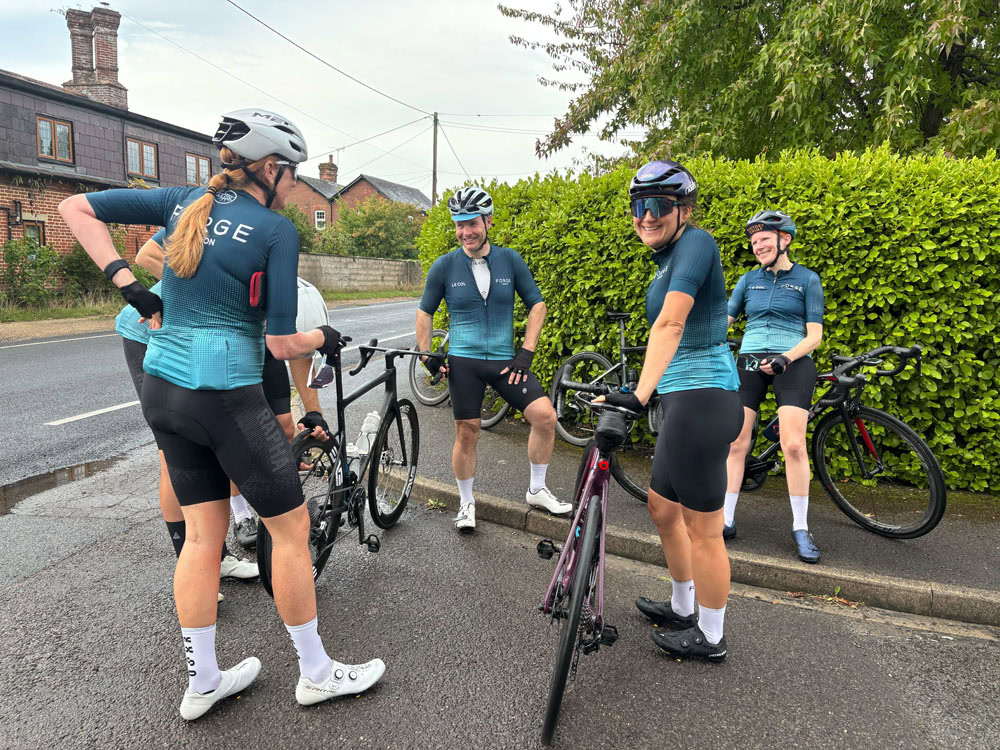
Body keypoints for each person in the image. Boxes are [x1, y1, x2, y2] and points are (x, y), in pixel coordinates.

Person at [60, 109, 384, 720]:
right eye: (292, 174)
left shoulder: (183, 200)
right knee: (290, 530)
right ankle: (316, 673)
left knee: (203, 536)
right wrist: (325, 337)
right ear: (270, 168)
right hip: (224, 395)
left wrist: (128, 283)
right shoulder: (275, 231)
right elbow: (282, 344)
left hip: (163, 391)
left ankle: (204, 681)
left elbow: (74, 207)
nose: (294, 185)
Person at [598, 160, 742, 663]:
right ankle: (682, 607)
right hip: (681, 398)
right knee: (662, 508)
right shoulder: (667, 258)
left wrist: (639, 396)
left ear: (684, 209)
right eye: (638, 206)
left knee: (704, 528)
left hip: (704, 398)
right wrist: (643, 388)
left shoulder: (697, 244)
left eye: (657, 205)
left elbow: (671, 325)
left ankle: (712, 635)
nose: (645, 216)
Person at [125, 237, 332, 551]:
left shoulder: (286, 292)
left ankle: (280, 512)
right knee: (192, 447)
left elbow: (298, 356)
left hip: (240, 326)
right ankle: (229, 529)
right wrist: (200, 290)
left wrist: (314, 414)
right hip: (156, 332)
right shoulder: (212, 238)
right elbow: (147, 254)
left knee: (282, 426)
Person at [416, 185, 570, 532]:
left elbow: (537, 305)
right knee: (467, 432)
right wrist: (427, 355)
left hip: (505, 363)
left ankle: (537, 490)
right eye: (459, 225)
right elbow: (425, 312)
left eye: (472, 223)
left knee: (545, 417)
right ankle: (466, 503)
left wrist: (526, 352)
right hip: (464, 362)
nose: (465, 232)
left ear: (487, 221)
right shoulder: (444, 266)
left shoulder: (509, 260)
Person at [116, 231, 257, 586]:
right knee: (174, 452)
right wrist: (195, 294)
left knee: (208, 443)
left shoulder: (256, 227)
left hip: (194, 336)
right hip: (148, 334)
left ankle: (214, 558)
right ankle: (195, 566)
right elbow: (147, 255)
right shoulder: (197, 210)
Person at [724, 210, 824, 563]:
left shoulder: (807, 279)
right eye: (753, 242)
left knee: (793, 444)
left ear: (785, 240)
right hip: (750, 360)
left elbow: (815, 336)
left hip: (792, 362)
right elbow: (725, 321)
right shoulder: (748, 280)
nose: (757, 246)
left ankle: (801, 527)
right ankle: (725, 520)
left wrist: (785, 357)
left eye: (764, 239)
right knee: (736, 441)